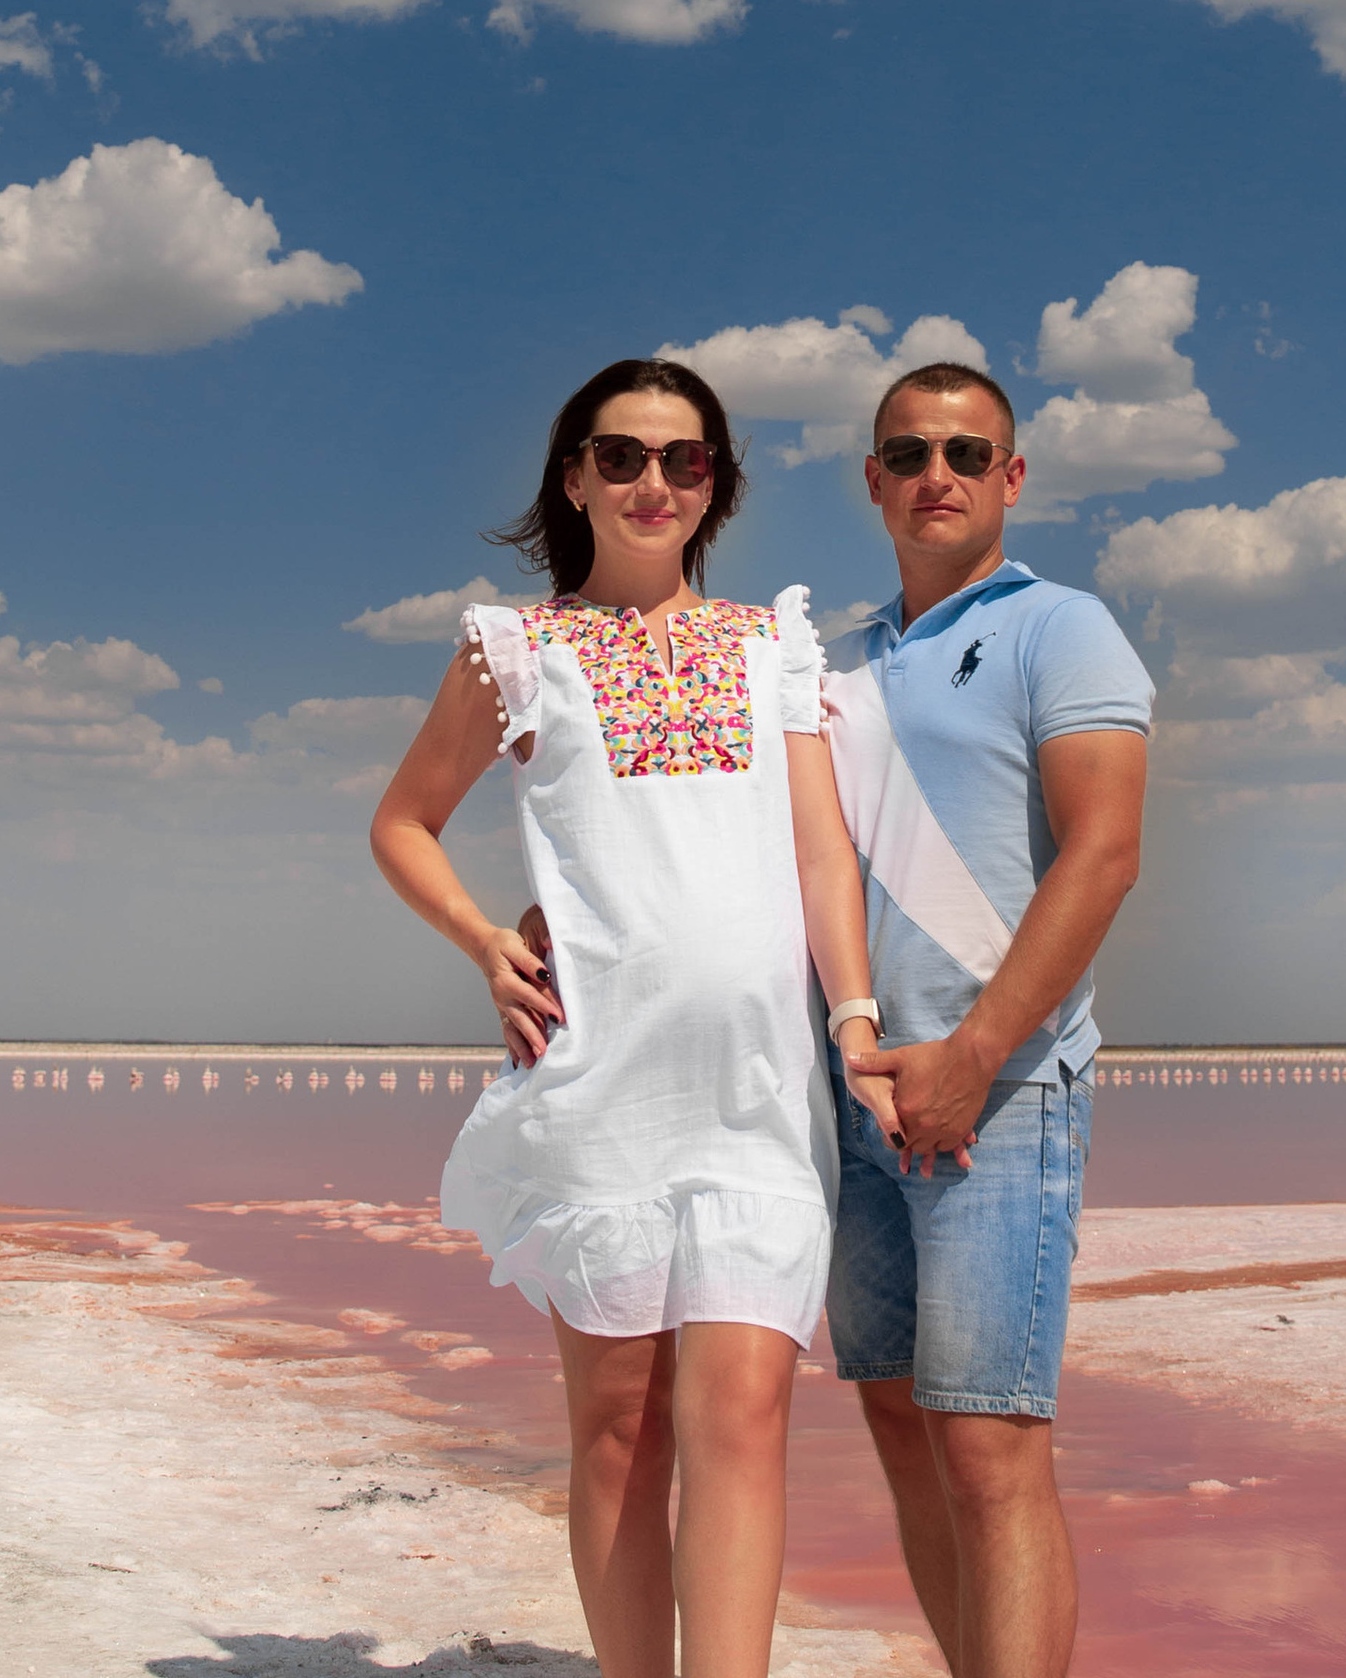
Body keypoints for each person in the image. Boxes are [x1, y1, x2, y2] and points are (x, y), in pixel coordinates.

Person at [371, 358, 895, 1678]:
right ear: (573, 478)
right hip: (599, 1088)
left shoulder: (774, 646)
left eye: (685, 459)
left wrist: (856, 1022)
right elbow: (402, 822)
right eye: (621, 456)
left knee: (746, 1417)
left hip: (760, 1093)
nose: (652, 481)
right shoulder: (518, 651)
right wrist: (487, 941)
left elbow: (823, 856)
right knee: (620, 1428)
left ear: (716, 485)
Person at [826, 361, 1151, 1678]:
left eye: (967, 454)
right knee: (903, 1426)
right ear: (874, 481)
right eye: (908, 454)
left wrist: (971, 1057)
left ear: (1011, 478)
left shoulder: (1059, 629)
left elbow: (1104, 853)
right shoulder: (838, 668)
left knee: (991, 1449)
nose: (936, 477)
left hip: (1000, 1099)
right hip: (857, 1104)